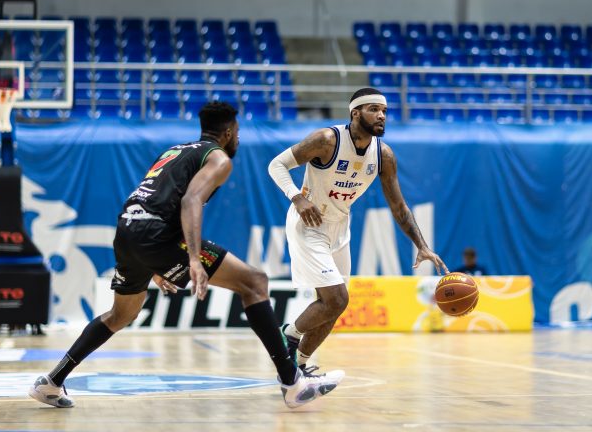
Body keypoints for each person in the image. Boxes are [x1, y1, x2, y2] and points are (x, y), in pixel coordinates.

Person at [29, 101, 343, 409]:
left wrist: (154, 263)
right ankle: (292, 382)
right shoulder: (219, 158)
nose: (238, 138)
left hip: (128, 229)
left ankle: (52, 381)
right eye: (237, 132)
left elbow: (153, 197)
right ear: (229, 133)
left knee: (120, 315)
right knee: (254, 283)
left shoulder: (174, 151)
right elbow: (190, 201)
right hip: (158, 233)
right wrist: (193, 258)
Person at [267, 88, 449, 370]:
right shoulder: (327, 140)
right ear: (355, 113)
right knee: (337, 299)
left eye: (384, 111)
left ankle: (298, 367)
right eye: (374, 109)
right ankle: (288, 334)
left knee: (333, 308)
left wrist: (422, 246)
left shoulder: (384, 156)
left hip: (340, 228)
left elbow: (399, 207)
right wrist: (297, 197)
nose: (381, 116)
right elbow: (276, 164)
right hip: (309, 224)